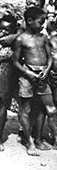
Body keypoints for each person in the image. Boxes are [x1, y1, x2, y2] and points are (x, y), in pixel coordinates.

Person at [13, 7, 57, 156]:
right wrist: (28, 72)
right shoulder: (21, 39)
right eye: (40, 22)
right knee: (26, 110)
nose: (43, 25)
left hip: (42, 76)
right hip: (27, 77)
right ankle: (30, 142)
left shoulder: (43, 38)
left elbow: (49, 57)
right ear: (29, 21)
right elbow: (15, 61)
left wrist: (46, 70)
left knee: (51, 109)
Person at [0, 15, 18, 151]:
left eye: (7, 30)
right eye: (1, 28)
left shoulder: (15, 43)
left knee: (1, 107)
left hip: (4, 79)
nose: (3, 32)